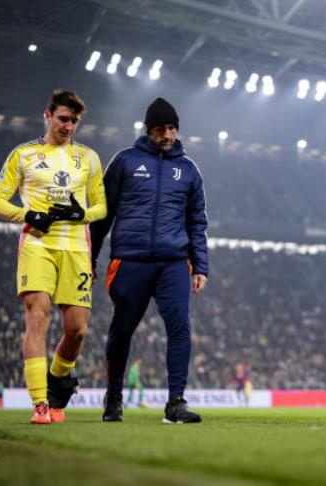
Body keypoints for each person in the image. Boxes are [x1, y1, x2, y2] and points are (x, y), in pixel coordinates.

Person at [0, 90, 106, 424]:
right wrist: (28, 215)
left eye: (74, 121)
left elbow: (101, 207)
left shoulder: (89, 158)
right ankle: (40, 404)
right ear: (48, 115)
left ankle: (57, 387)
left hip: (77, 249)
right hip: (38, 244)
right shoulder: (24, 154)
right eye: (63, 119)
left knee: (77, 330)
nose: (68, 126)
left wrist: (80, 213)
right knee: (37, 318)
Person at [90, 97, 208, 424]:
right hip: (131, 260)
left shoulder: (188, 170)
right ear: (148, 129)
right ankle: (114, 397)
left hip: (173, 262)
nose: (167, 134)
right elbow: (102, 215)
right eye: (161, 128)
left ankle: (176, 403)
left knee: (180, 328)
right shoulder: (125, 162)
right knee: (121, 331)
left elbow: (197, 222)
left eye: (172, 128)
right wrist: (90, 256)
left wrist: (200, 266)